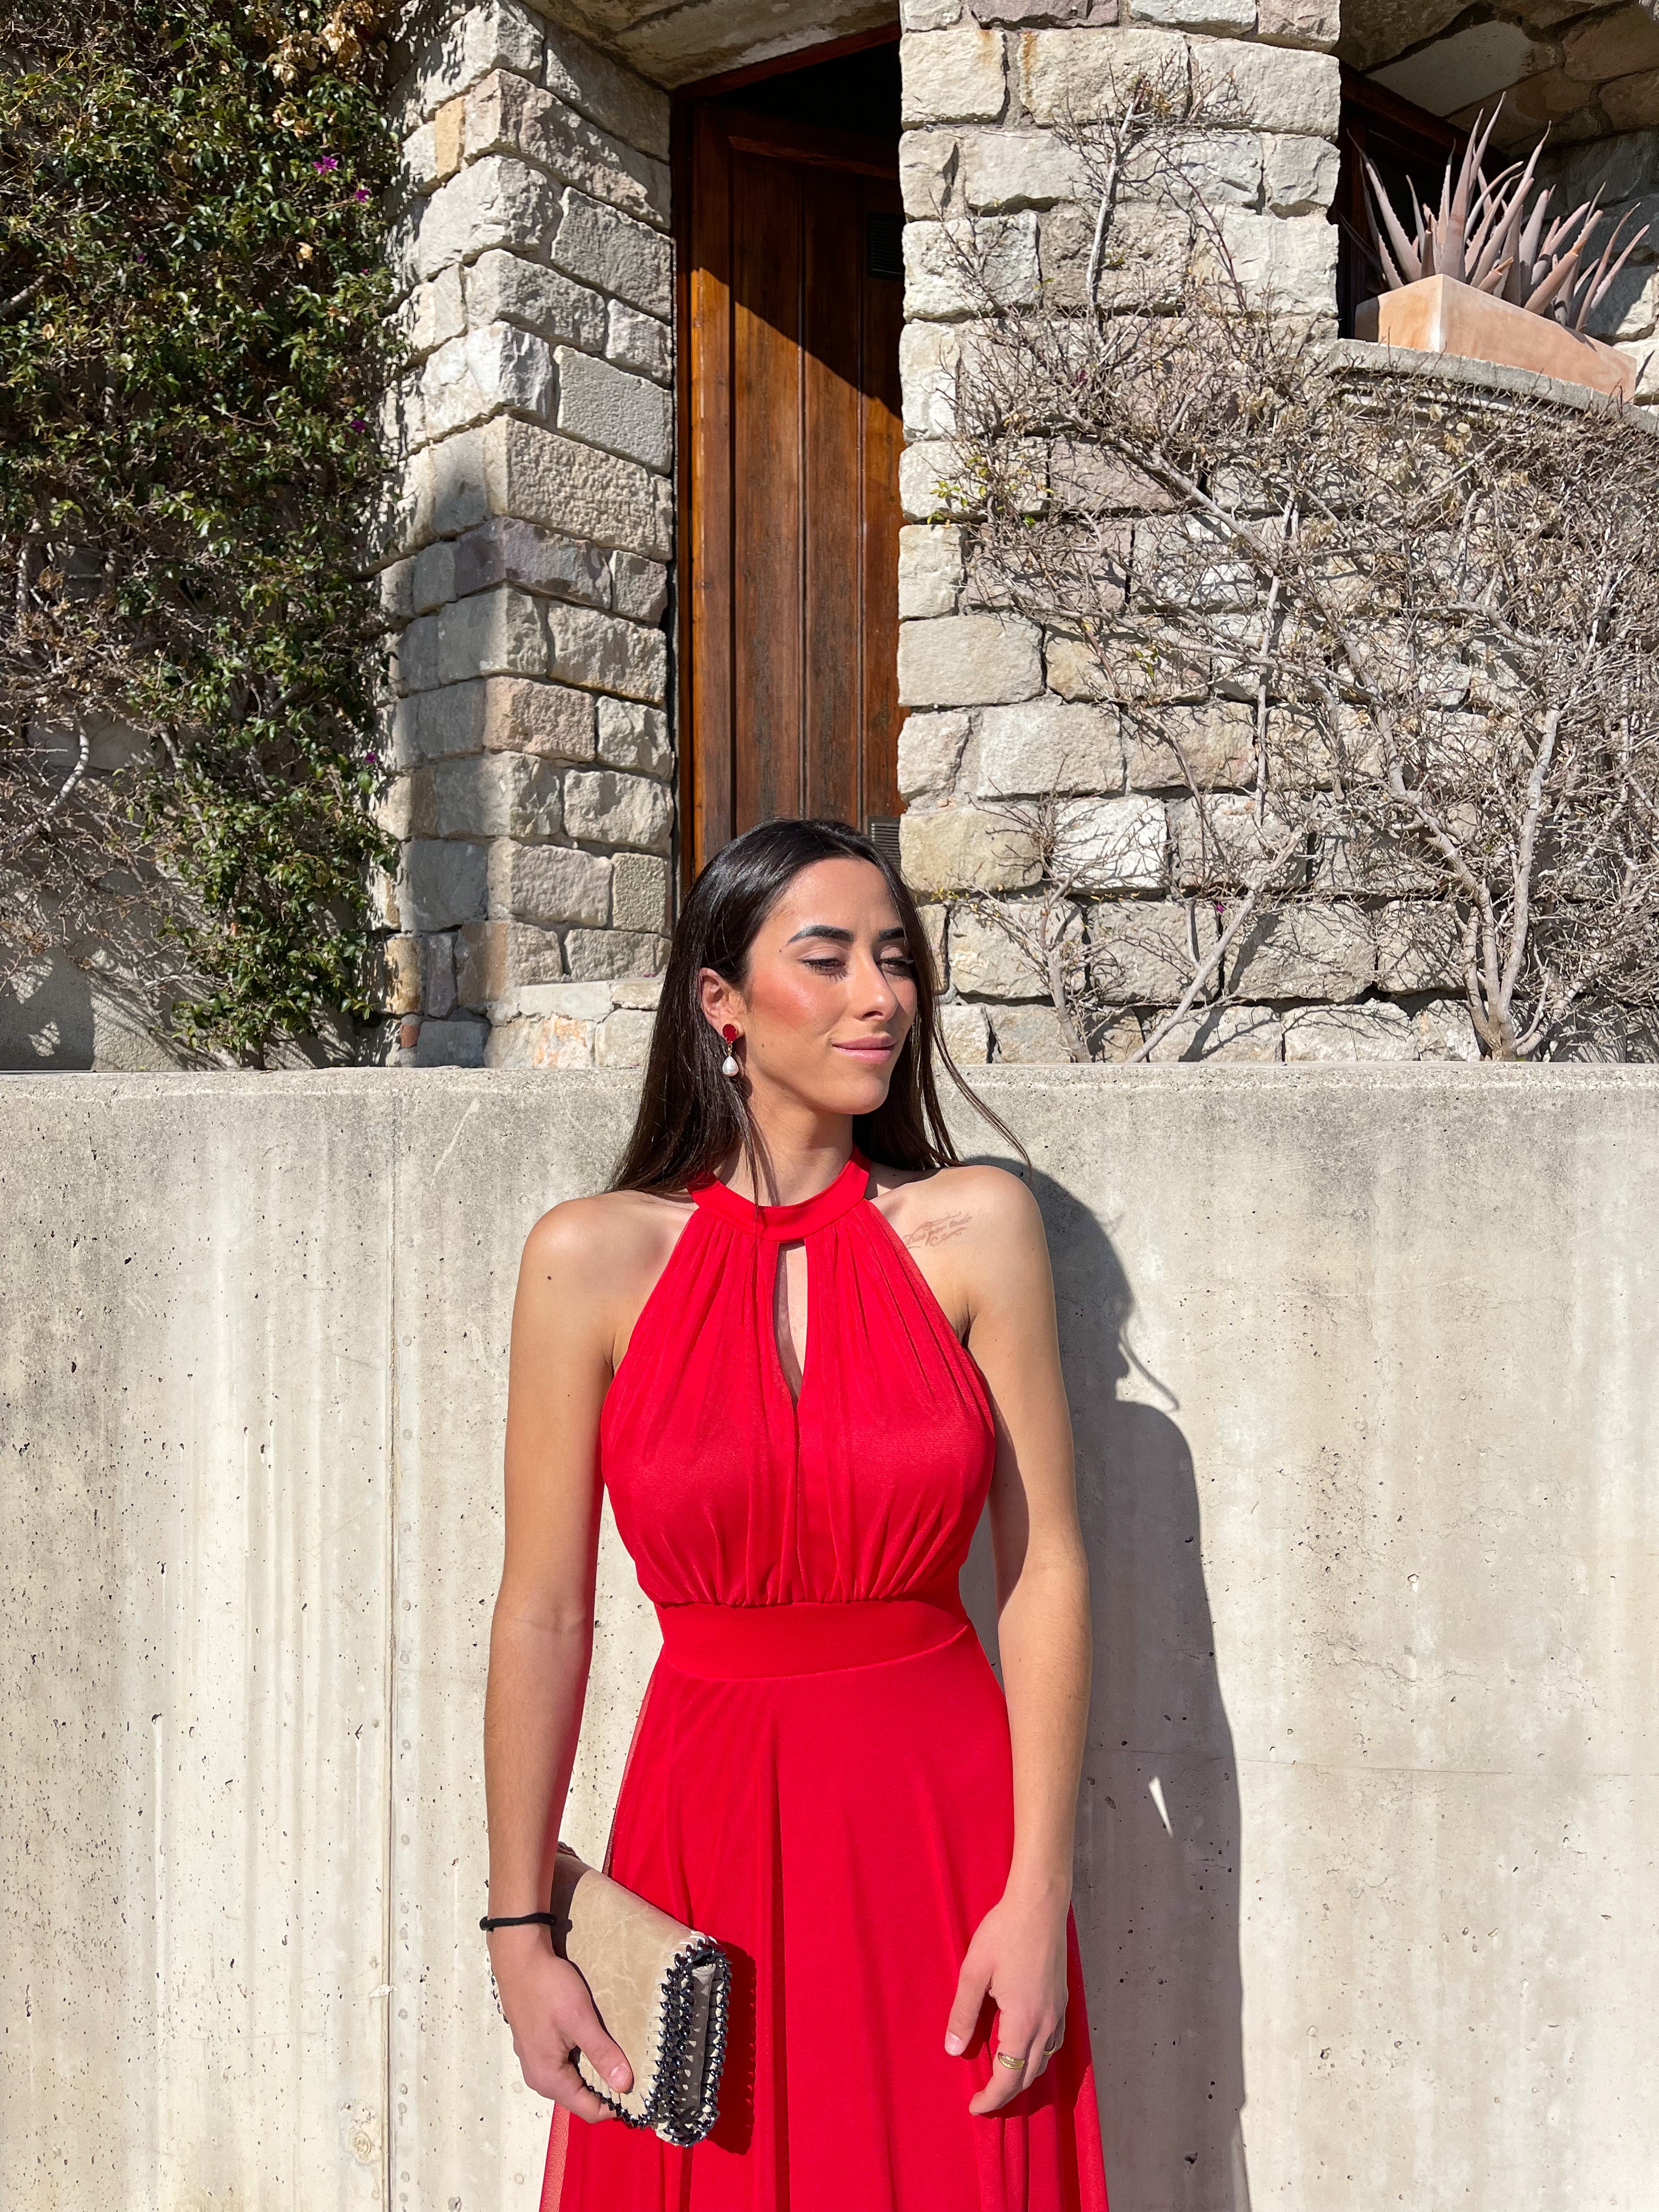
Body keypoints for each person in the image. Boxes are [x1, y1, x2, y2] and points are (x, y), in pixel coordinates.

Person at [482, 816, 1110, 2210]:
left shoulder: (977, 1228)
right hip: (705, 1832)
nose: (879, 996)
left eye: (894, 959)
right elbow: (544, 1609)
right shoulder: (586, 1260)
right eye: (824, 960)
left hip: (942, 1839)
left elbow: (1047, 1569)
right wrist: (520, 1931)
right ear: (722, 1003)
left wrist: (1037, 1892)